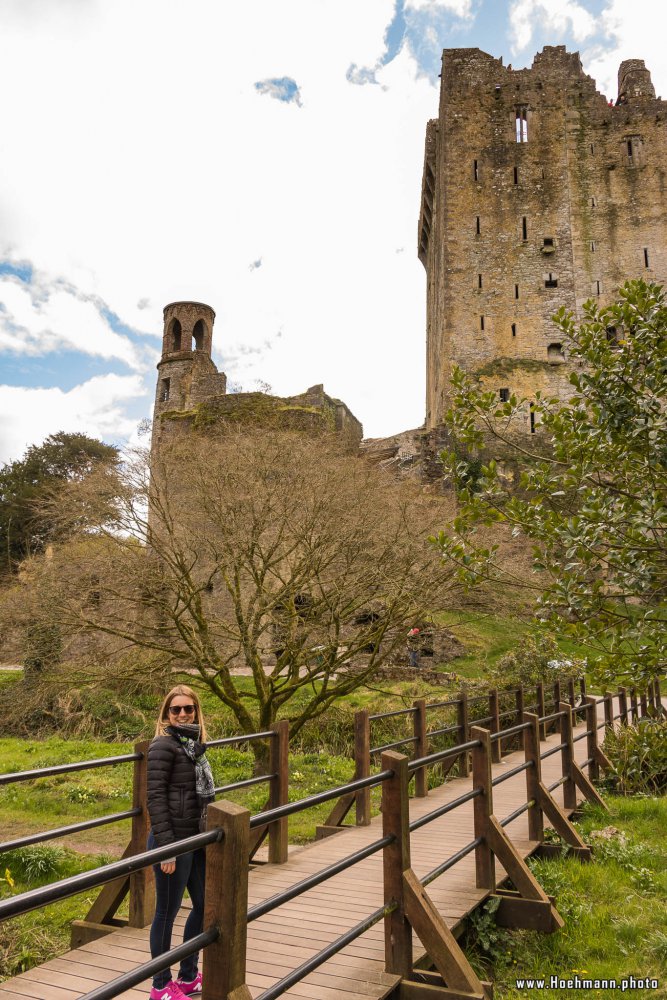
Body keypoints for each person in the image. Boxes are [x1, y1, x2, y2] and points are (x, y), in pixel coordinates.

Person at [146, 685, 215, 1000]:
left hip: (196, 837)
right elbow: (156, 798)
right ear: (166, 714)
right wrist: (167, 848)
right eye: (176, 710)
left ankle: (188, 976)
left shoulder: (194, 746)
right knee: (166, 911)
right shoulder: (163, 746)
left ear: (197, 711)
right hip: (173, 839)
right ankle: (160, 985)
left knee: (203, 905)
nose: (183, 714)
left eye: (189, 708)